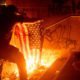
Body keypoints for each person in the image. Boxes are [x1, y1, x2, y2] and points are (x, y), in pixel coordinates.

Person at [0, 5, 27, 80]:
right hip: (3, 48)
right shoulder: (11, 18)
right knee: (20, 58)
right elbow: (29, 20)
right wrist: (40, 20)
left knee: (1, 61)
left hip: (3, 48)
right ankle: (24, 78)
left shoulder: (4, 17)